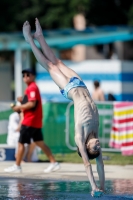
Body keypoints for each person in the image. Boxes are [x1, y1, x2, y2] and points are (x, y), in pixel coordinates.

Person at [21, 18, 105, 197]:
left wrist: (94, 187)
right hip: (80, 84)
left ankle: (30, 40)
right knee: (57, 61)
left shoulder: (79, 136)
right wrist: (103, 186)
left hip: (69, 90)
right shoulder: (95, 132)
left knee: (49, 65)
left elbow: (89, 165)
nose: (98, 145)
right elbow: (100, 164)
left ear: (87, 147)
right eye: (98, 147)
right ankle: (40, 36)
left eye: (95, 148)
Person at [4, 68, 60, 173]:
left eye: (28, 74)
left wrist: (18, 107)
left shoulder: (32, 88)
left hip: (30, 121)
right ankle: (54, 162)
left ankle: (17, 166)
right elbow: (32, 102)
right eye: (24, 75)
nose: (25, 76)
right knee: (40, 143)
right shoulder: (31, 88)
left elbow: (32, 104)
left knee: (21, 143)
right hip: (35, 121)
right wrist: (22, 100)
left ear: (33, 76)